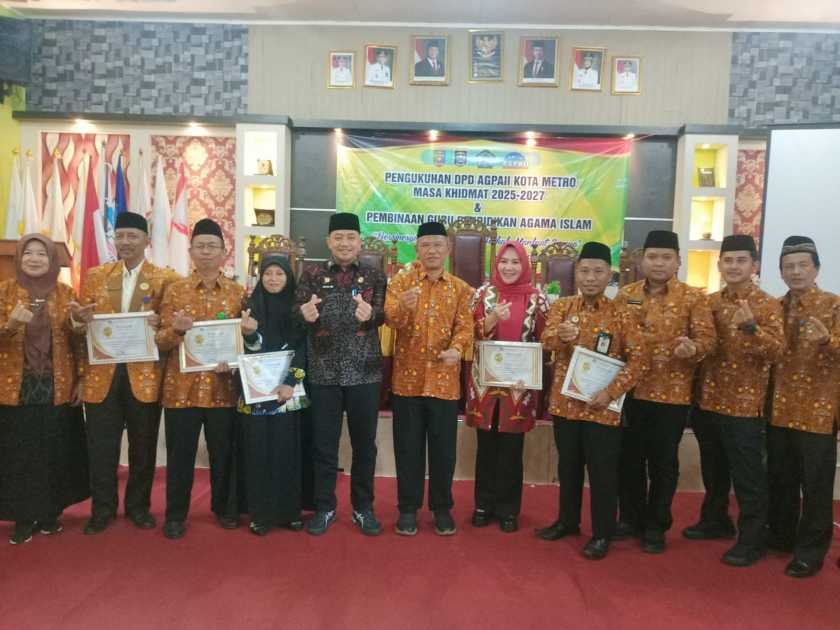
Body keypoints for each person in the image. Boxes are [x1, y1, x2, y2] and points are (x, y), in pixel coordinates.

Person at [536, 241, 647, 560]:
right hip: (566, 405)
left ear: (609, 275)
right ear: (576, 273)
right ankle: (567, 522)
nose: (590, 278)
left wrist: (611, 392)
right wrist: (560, 338)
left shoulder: (622, 313)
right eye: (584, 271)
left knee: (602, 473)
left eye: (598, 272)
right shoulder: (563, 307)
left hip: (602, 407)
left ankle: (602, 533)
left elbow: (640, 360)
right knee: (568, 467)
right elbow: (546, 342)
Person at [74, 212, 178, 535]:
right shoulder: (96, 276)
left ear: (146, 240)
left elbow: (170, 331)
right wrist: (78, 321)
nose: (125, 242)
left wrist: (159, 325)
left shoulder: (165, 278)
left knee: (143, 448)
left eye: (132, 236)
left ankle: (138, 507)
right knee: (101, 449)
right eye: (120, 236)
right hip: (101, 376)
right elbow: (80, 327)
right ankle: (102, 509)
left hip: (144, 376)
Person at [684, 234, 784, 567]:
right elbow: (702, 344)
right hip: (708, 399)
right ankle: (715, 520)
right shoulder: (709, 302)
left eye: (741, 260)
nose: (734, 266)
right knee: (714, 469)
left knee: (748, 476)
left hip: (744, 405)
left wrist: (752, 328)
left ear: (754, 265)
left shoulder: (768, 305)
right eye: (728, 260)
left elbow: (778, 352)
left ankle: (752, 540)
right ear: (719, 264)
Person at [614, 230, 716, 553]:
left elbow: (707, 340)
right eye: (653, 257)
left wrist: (692, 349)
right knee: (629, 460)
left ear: (678, 262)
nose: (659, 263)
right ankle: (630, 518)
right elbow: (612, 337)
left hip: (671, 396)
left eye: (666, 257)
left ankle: (656, 525)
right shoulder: (626, 295)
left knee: (663, 463)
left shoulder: (693, 298)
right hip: (630, 392)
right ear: (642, 260)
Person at [155, 218, 249, 540]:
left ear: (224, 252)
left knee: (224, 453)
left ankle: (224, 508)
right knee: (180, 456)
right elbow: (160, 341)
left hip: (223, 387)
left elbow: (245, 341)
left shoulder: (237, 292)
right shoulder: (175, 290)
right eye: (200, 246)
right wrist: (177, 330)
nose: (206, 251)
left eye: (212, 246)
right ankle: (175, 515)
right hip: (181, 389)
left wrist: (234, 363)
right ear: (191, 251)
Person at [293, 212, 386, 536]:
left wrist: (372, 314)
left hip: (365, 371)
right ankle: (324, 506)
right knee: (324, 444)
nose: (345, 243)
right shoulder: (311, 275)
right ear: (328, 242)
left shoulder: (375, 275)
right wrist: (303, 313)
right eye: (338, 238)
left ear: (359, 242)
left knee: (365, 445)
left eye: (351, 237)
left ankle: (363, 507)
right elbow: (295, 311)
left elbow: (383, 313)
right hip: (323, 371)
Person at [385, 221, 474, 536]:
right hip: (407, 383)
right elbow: (390, 320)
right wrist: (403, 308)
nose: (432, 250)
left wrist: (457, 348)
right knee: (407, 449)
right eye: (426, 245)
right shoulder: (402, 282)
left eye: (438, 244)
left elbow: (465, 326)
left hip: (443, 382)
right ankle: (408, 509)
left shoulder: (461, 289)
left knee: (443, 450)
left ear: (448, 249)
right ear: (417, 249)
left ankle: (442, 508)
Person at [0, 234, 89, 545]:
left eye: (42, 254)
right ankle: (23, 517)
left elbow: (78, 342)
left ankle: (50, 513)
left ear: (52, 260)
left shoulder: (66, 294)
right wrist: (10, 325)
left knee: (54, 450)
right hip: (14, 387)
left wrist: (81, 377)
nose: (35, 259)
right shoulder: (4, 291)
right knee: (20, 453)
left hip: (57, 385)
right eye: (29, 253)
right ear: (19, 258)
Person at [766, 236, 840, 578]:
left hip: (818, 411)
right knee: (781, 479)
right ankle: (781, 537)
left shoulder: (834, 306)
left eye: (802, 265)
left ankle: (811, 551)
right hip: (778, 408)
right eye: (789, 266)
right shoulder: (774, 307)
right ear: (781, 272)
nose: (796, 272)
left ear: (816, 269)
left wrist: (828, 340)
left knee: (815, 486)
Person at [466, 241, 547, 533]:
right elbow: (466, 334)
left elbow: (546, 340)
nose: (509, 267)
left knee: (512, 451)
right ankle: (483, 505)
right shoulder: (483, 294)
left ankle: (508, 509)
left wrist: (532, 367)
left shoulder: (537, 298)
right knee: (485, 448)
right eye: (504, 261)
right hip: (485, 386)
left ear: (524, 266)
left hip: (519, 387)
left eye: (515, 262)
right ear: (496, 263)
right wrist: (490, 320)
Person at [239, 255, 308, 536]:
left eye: (280, 274)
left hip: (287, 392)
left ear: (288, 278)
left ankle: (290, 512)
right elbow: (246, 348)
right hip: (256, 391)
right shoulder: (249, 306)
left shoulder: (298, 308)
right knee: (259, 451)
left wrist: (290, 381)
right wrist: (249, 335)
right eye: (268, 273)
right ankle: (261, 513)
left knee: (286, 451)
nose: (273, 279)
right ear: (261, 277)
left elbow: (303, 346)